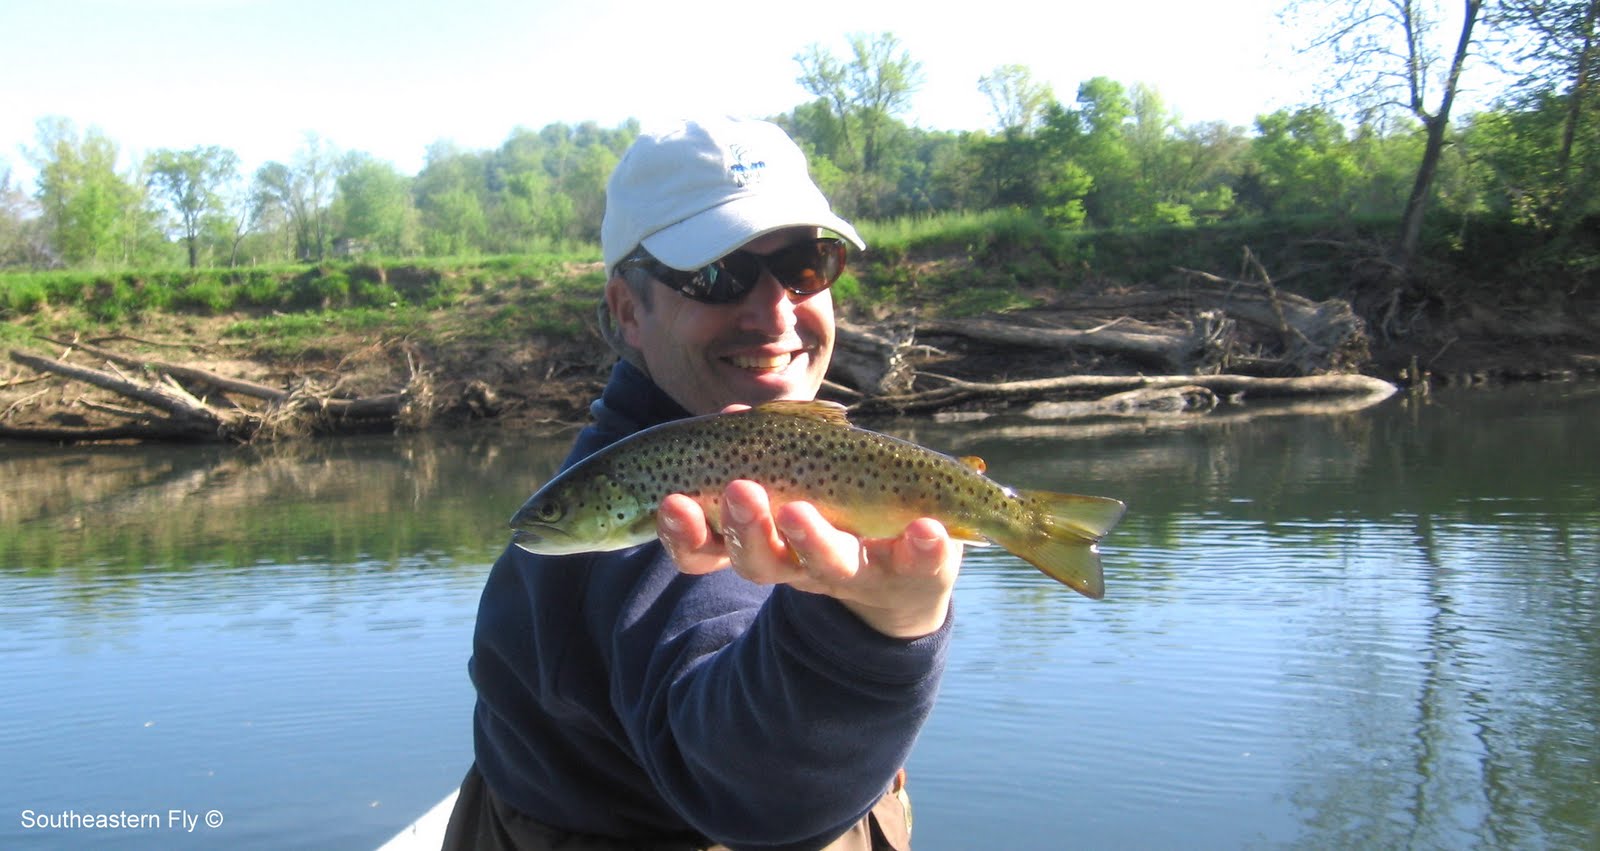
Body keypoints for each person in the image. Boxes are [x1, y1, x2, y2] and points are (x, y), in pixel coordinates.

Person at [443, 116, 962, 851]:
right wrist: (877, 634)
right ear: (628, 309)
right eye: (716, 274)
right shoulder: (642, 527)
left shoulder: (726, 453)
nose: (775, 310)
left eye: (807, 266)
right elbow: (746, 776)